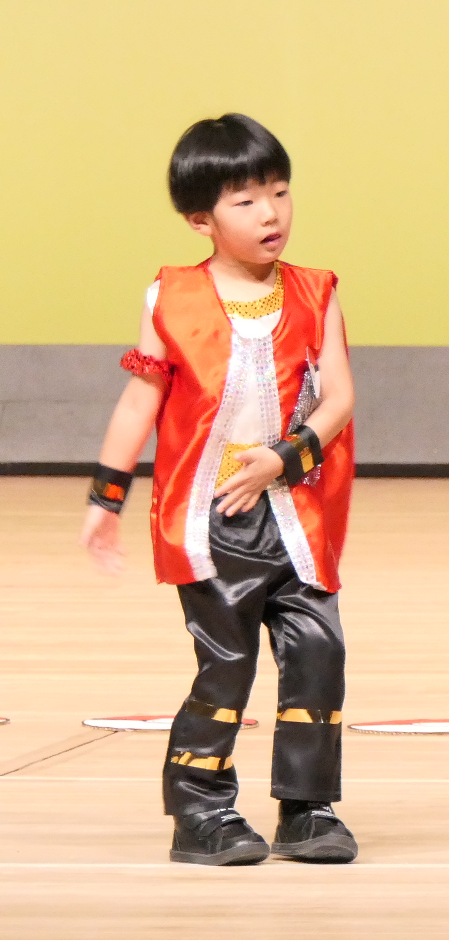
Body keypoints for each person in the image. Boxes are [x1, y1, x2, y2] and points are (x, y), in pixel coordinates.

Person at [79, 114, 359, 867]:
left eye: (280, 192)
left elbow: (338, 398)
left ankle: (307, 808)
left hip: (297, 515)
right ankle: (200, 812)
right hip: (212, 523)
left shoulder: (316, 290)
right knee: (226, 667)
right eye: (246, 200)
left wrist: (283, 459)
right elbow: (139, 402)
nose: (271, 213)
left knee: (319, 654)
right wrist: (106, 500)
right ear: (200, 219)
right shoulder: (170, 297)